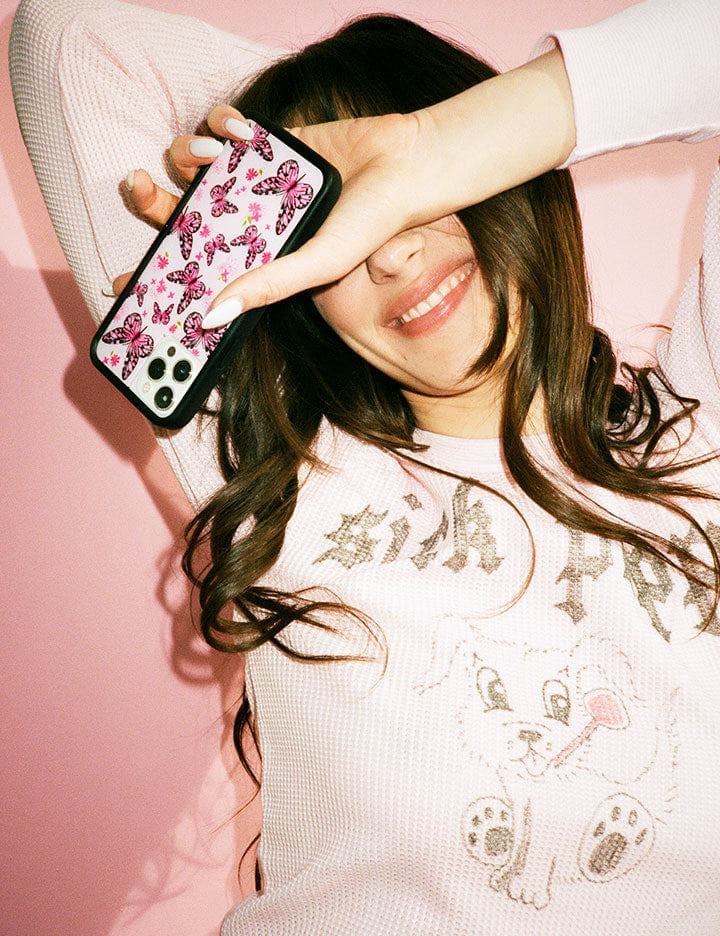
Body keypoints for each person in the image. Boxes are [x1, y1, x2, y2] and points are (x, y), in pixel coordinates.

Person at [9, 0, 720, 932]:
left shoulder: (701, 426)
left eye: (406, 195)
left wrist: (424, 138)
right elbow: (64, 40)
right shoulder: (286, 476)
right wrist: (265, 172)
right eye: (327, 227)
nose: (388, 252)